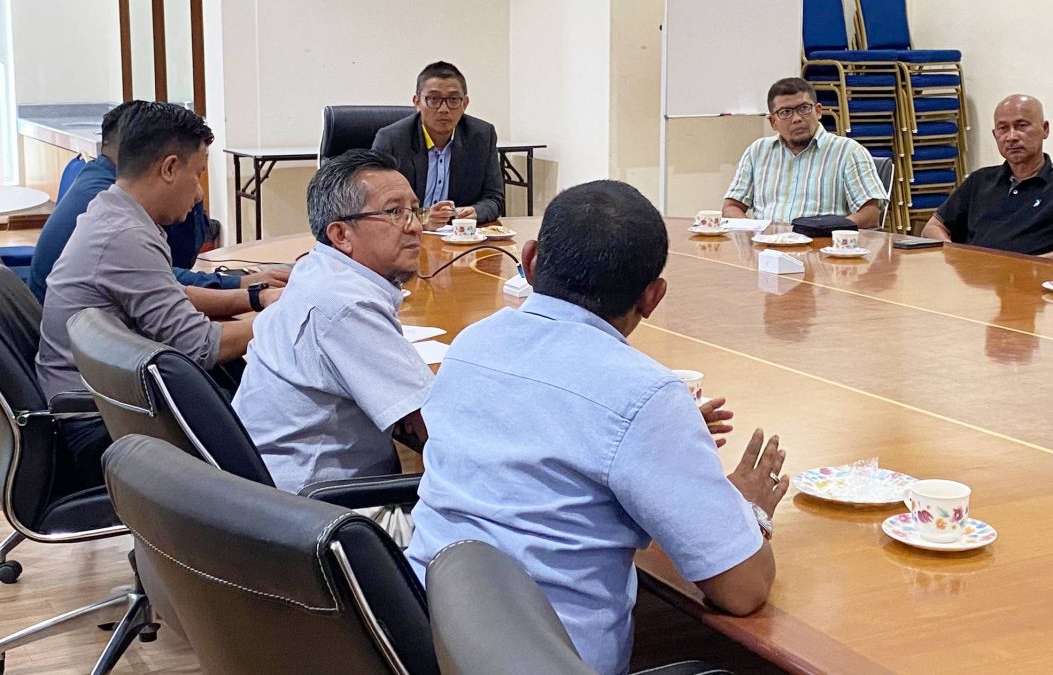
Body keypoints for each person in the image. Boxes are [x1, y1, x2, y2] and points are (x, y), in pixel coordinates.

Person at [405, 180, 788, 675]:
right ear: (653, 297)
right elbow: (742, 590)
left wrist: (658, 444)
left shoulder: (474, 342)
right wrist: (747, 508)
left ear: (530, 260)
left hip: (427, 639)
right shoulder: (643, 395)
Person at [36, 102, 281, 486]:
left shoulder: (111, 212)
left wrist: (255, 298)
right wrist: (289, 313)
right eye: (197, 174)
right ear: (168, 168)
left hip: (102, 401)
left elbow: (171, 292)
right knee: (277, 415)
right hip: (102, 425)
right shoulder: (125, 236)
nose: (200, 193)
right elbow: (201, 347)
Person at [233, 149, 433, 514]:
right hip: (321, 515)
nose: (415, 225)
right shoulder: (344, 306)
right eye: (394, 212)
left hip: (275, 494)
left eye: (415, 209)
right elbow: (433, 426)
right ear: (340, 234)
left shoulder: (317, 269)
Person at [28, 100, 288, 303]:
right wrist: (257, 299)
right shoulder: (109, 208)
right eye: (197, 173)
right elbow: (165, 283)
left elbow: (169, 267)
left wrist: (251, 294)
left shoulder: (106, 187)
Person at [723, 77, 887, 228]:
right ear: (773, 122)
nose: (796, 118)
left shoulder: (848, 152)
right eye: (785, 112)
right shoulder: (758, 151)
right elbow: (731, 207)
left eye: (804, 108)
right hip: (767, 250)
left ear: (818, 111)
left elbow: (870, 215)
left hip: (823, 251)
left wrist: (826, 232)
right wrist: (754, 232)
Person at [372, 60, 504, 227]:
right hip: (406, 236)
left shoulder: (483, 136)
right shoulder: (391, 139)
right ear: (417, 102)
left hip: (458, 239)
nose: (444, 109)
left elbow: (494, 198)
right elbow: (377, 206)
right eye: (434, 99)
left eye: (453, 99)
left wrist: (476, 211)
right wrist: (423, 218)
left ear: (464, 103)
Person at [922, 94, 1053, 257]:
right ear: (995, 135)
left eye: (1021, 125)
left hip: (1029, 278)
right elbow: (932, 228)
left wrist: (1024, 267)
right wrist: (957, 256)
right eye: (1003, 128)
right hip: (975, 277)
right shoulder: (980, 181)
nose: (1011, 137)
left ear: (1045, 129)